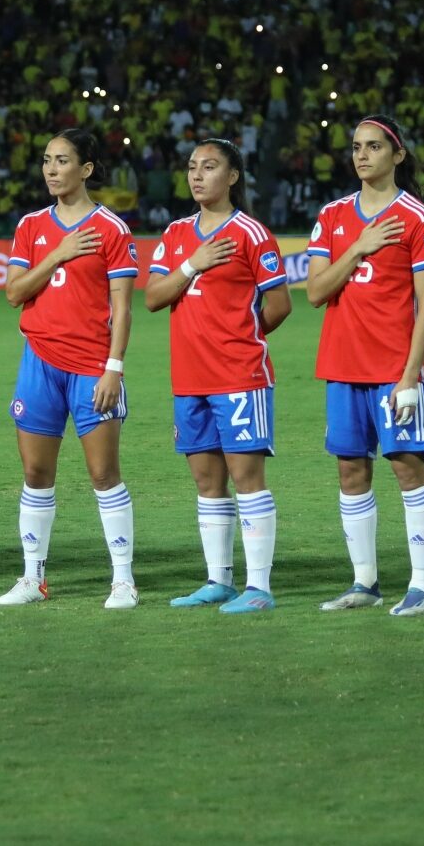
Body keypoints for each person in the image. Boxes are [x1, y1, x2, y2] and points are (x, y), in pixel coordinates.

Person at [146, 139, 293, 614]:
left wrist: (242, 337)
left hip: (239, 376)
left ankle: (259, 587)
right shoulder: (174, 235)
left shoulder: (252, 233)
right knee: (207, 482)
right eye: (192, 167)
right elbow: (152, 297)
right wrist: (193, 264)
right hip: (189, 378)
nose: (197, 175)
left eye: (209, 167)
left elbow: (279, 304)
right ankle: (218, 580)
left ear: (232, 177)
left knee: (247, 478)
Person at [306, 115, 424, 616]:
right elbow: (316, 292)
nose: (361, 156)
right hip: (343, 365)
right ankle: (364, 582)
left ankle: (422, 586)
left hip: (393, 369)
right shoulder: (334, 216)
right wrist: (359, 247)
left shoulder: (417, 218)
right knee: (350, 472)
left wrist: (411, 374)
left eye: (373, 147)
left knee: (408, 469)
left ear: (398, 155)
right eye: (356, 147)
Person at [0, 128, 141, 609]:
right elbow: (15, 292)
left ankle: (123, 580)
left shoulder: (111, 229)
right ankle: (33, 578)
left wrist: (114, 369)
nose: (51, 169)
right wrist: (57, 254)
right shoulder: (32, 226)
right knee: (36, 472)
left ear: (87, 169)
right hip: (39, 361)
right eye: (46, 160)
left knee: (104, 473)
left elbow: (122, 307)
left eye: (62, 160)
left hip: (93, 367)